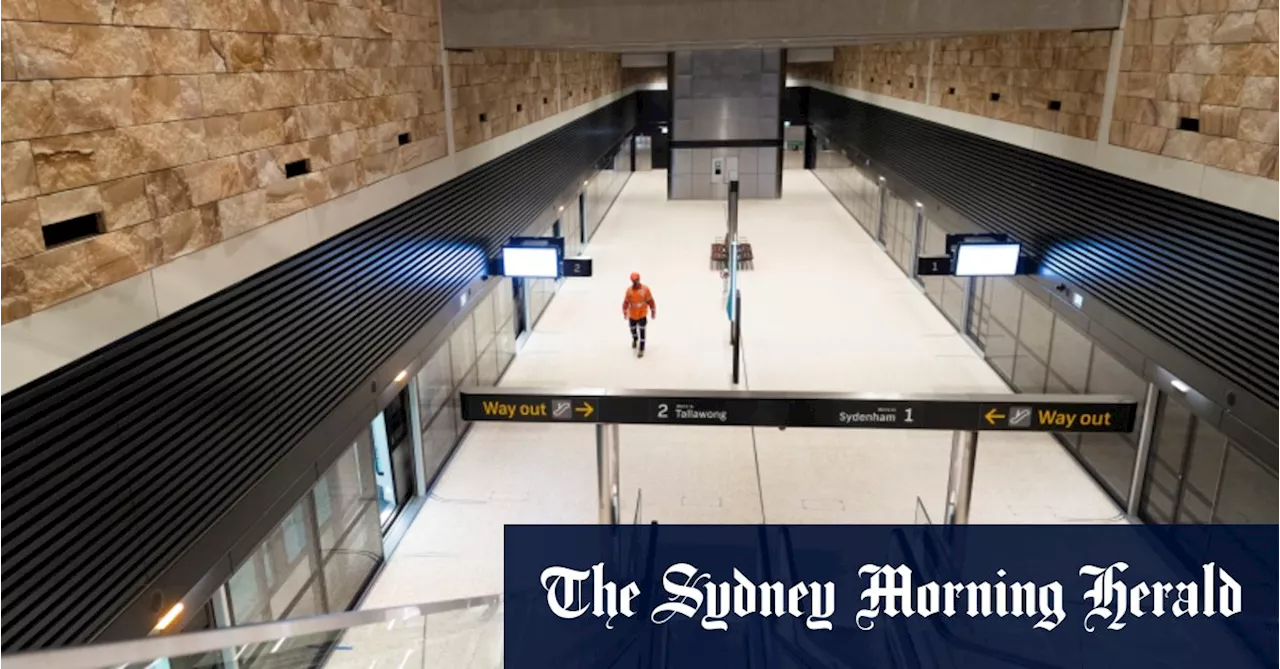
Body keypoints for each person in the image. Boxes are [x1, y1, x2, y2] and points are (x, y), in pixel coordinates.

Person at [623, 272, 656, 358]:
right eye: (633, 281)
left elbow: (650, 301)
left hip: (642, 314)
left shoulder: (645, 289)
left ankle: (641, 348)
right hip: (633, 315)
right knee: (632, 329)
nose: (635, 282)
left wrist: (653, 311)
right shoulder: (629, 291)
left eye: (636, 280)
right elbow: (626, 302)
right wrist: (625, 311)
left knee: (642, 332)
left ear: (639, 279)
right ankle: (635, 338)